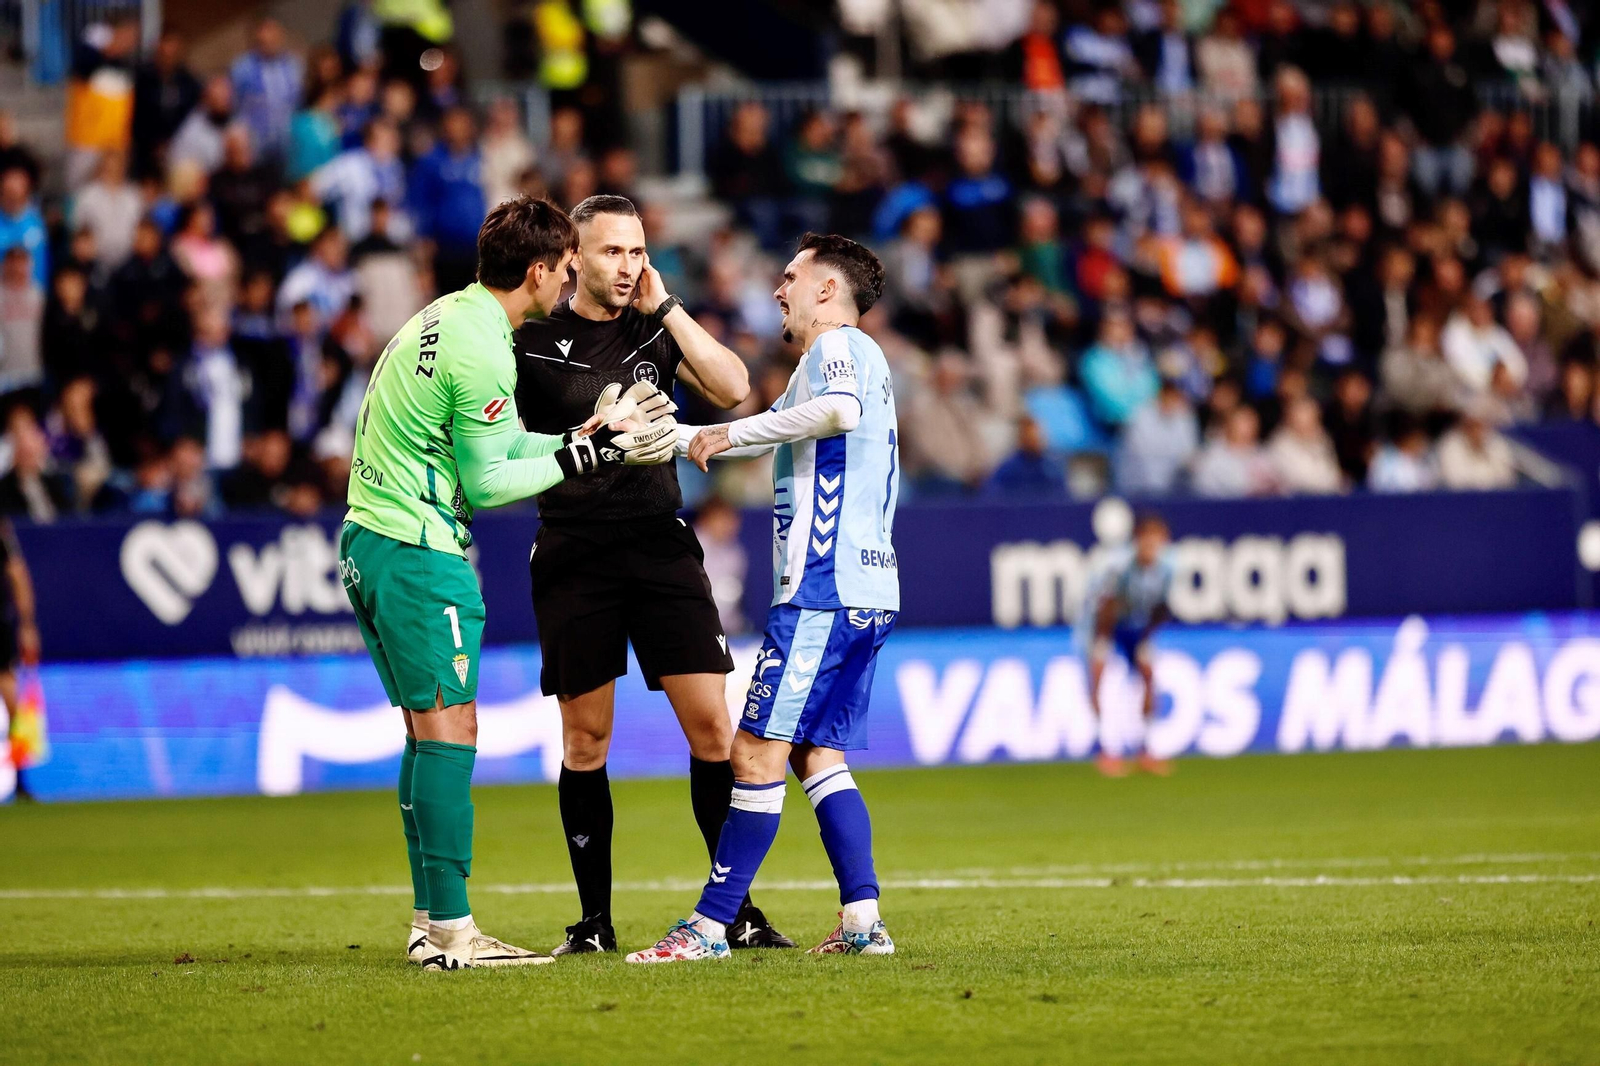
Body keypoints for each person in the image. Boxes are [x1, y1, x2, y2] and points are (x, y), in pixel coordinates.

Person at [336, 195, 675, 971]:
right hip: (417, 549)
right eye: (564, 269)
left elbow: (497, 442)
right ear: (537, 271)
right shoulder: (485, 347)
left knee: (426, 732)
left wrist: (578, 435)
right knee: (451, 732)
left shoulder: (450, 318)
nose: (568, 283)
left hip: (373, 540)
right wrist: (595, 456)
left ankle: (431, 919)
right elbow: (488, 483)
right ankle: (452, 933)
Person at [510, 194, 780, 957]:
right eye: (611, 252)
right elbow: (498, 445)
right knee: (586, 739)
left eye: (637, 251)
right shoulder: (531, 341)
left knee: (713, 728)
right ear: (575, 259)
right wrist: (581, 439)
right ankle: (593, 922)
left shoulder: (655, 328)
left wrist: (668, 307)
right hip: (575, 550)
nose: (627, 266)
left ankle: (734, 910)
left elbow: (733, 388)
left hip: (660, 544)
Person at [628, 232, 900, 963]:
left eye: (791, 277)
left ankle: (707, 929)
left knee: (753, 751)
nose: (778, 290)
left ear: (826, 289)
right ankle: (862, 922)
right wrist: (675, 437)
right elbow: (759, 435)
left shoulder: (836, 347)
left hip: (821, 586)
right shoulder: (855, 359)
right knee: (817, 753)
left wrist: (722, 432)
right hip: (869, 588)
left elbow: (837, 411)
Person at [1079, 512, 1174, 778]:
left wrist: (1146, 636)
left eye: (1157, 541)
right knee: (1102, 681)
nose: (1152, 546)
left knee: (1148, 677)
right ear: (1137, 541)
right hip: (1110, 629)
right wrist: (1102, 641)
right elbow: (1106, 607)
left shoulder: (1166, 572)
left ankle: (1145, 748)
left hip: (1138, 629)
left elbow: (1161, 608)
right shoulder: (1122, 569)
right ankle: (1105, 749)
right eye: (1147, 540)